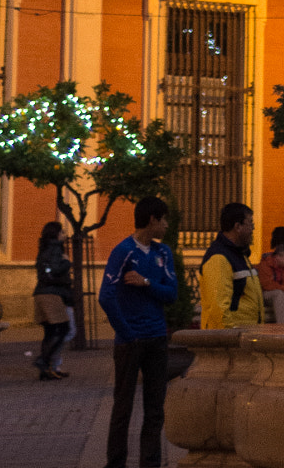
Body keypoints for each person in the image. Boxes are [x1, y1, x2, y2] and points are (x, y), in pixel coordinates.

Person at [99, 195, 178, 468]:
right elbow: (105, 296)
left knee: (155, 408)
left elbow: (172, 293)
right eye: (164, 219)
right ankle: (116, 462)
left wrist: (146, 283)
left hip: (157, 338)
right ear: (152, 220)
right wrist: (127, 333)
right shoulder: (124, 252)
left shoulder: (163, 253)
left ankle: (151, 463)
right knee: (123, 407)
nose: (167, 225)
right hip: (130, 342)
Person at [199, 202, 263, 330]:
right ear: (238, 226)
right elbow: (218, 308)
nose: (253, 228)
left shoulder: (239, 255)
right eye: (250, 223)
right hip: (229, 341)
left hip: (244, 336)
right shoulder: (219, 258)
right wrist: (229, 339)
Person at [32, 218, 74, 379]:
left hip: (42, 293)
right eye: (62, 231)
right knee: (63, 329)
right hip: (51, 294)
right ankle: (43, 361)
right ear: (56, 234)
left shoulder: (45, 248)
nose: (64, 234)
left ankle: (46, 370)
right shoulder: (55, 249)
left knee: (50, 332)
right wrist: (66, 262)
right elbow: (55, 269)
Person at [257, 226, 284, 326]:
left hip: (278, 291)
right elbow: (267, 285)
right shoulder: (266, 264)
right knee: (278, 294)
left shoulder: (283, 268)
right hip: (265, 294)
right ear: (277, 257)